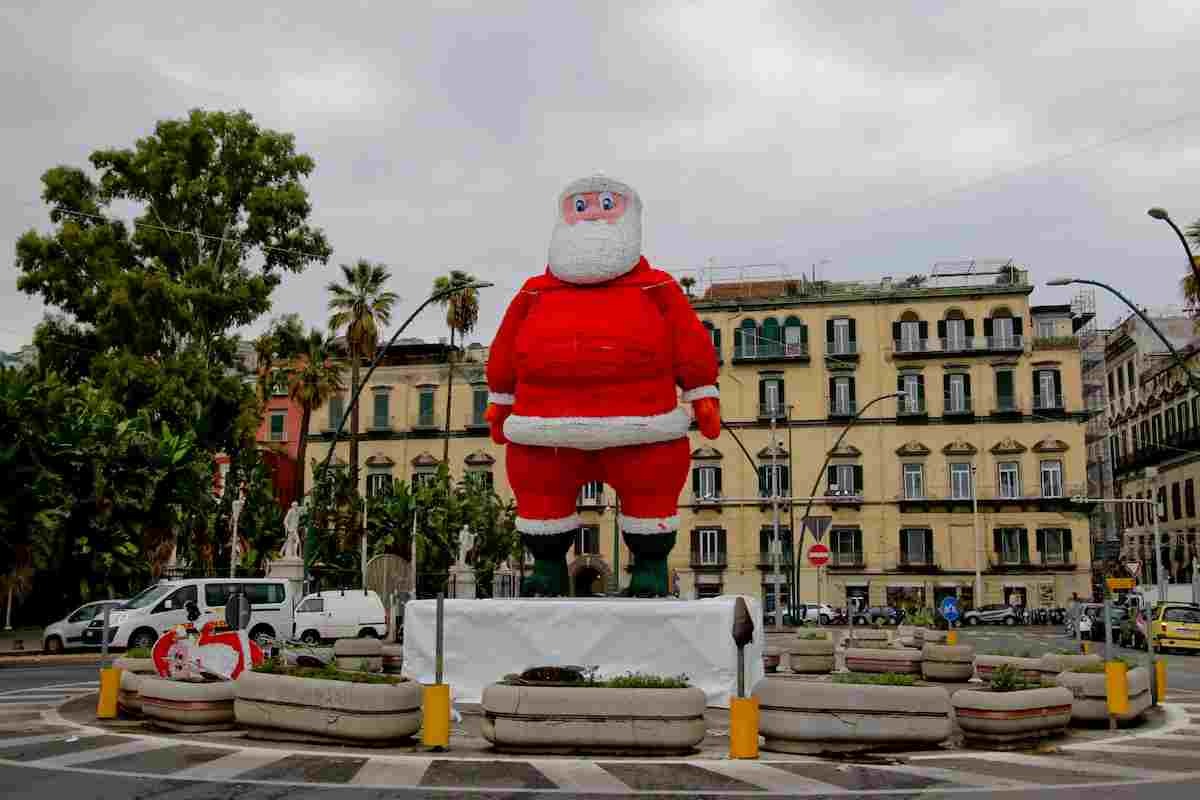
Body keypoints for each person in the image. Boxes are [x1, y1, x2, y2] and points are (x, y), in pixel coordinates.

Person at [485, 175, 720, 597]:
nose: (592, 214)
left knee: (650, 494)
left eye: (606, 204)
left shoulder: (658, 287)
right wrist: (500, 398)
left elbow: (689, 340)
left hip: (641, 429)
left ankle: (649, 571)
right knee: (541, 495)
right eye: (581, 206)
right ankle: (547, 569)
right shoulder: (534, 292)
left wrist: (702, 391)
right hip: (545, 433)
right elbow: (504, 346)